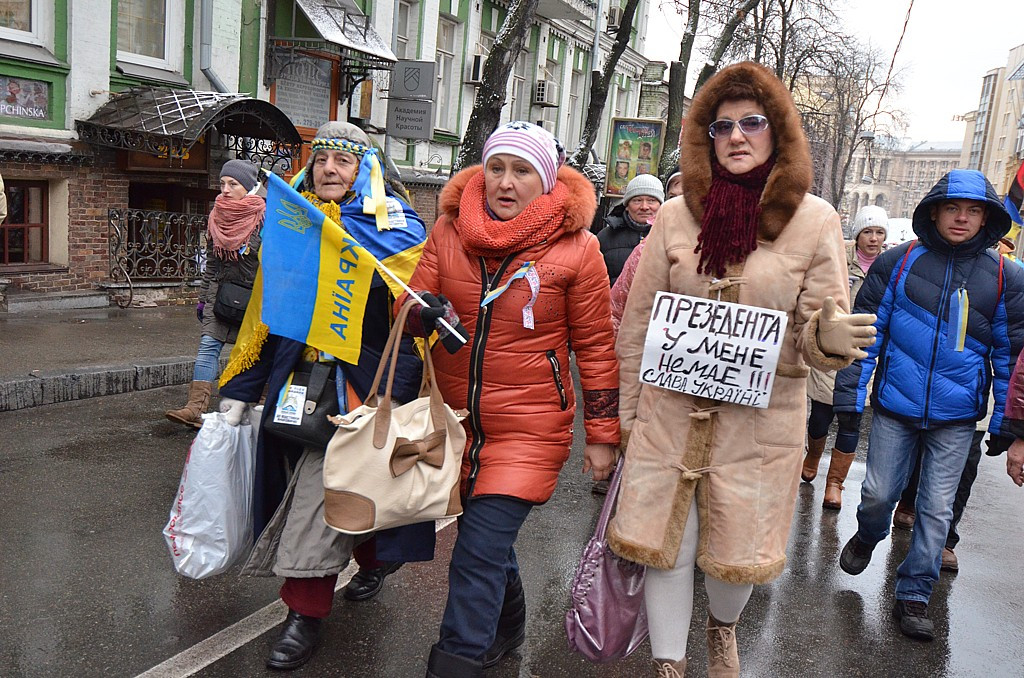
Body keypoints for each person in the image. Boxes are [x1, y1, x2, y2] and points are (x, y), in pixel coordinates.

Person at [608, 61, 875, 678]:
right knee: (665, 548)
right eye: (721, 125)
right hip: (669, 416)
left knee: (735, 560)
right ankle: (668, 665)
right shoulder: (675, 216)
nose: (735, 136)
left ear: (776, 132)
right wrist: (625, 417)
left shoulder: (816, 220)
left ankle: (722, 628)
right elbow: (640, 323)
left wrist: (825, 338)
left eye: (751, 122)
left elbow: (819, 331)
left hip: (758, 431)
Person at [398, 121, 619, 678]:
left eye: (522, 170)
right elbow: (407, 310)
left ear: (545, 181)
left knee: (475, 552)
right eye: (497, 167)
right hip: (455, 423)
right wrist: (417, 312)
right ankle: (508, 628)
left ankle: (455, 663)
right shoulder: (449, 231)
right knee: (486, 542)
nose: (505, 181)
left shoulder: (579, 249)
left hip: (530, 426)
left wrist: (603, 437)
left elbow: (595, 348)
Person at [216, 122, 433, 670]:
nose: (329, 169)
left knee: (320, 497)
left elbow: (414, 313)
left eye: (343, 160)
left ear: (367, 170)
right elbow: (269, 316)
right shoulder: (294, 226)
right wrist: (241, 390)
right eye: (321, 160)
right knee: (338, 495)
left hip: (364, 388)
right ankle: (372, 557)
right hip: (297, 385)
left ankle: (303, 616)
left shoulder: (397, 228)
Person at [834, 169, 1024, 642]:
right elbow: (863, 336)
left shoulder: (1005, 276)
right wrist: (851, 399)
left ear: (988, 217)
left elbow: (1012, 355)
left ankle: (915, 593)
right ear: (934, 211)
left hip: (957, 419)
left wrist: (1009, 423)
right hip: (896, 407)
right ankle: (867, 535)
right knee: (878, 495)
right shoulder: (896, 264)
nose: (962, 218)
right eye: (953, 208)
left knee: (936, 510)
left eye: (974, 210)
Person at [800, 205, 888, 509]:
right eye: (868, 232)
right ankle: (812, 456)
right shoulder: (839, 259)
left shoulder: (890, 266)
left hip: (865, 354)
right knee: (821, 417)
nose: (873, 238)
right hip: (834, 350)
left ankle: (834, 483)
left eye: (879, 232)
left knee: (851, 419)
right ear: (858, 234)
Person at [165, 160, 263, 428]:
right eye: (223, 183)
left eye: (233, 184)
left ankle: (251, 411)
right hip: (219, 295)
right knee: (208, 347)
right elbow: (212, 263)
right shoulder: (217, 214)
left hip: (254, 301)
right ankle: (194, 408)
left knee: (250, 354)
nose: (226, 189)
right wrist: (203, 298)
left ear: (249, 186)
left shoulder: (265, 216)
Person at [597, 173, 664, 286]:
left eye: (651, 200)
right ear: (627, 205)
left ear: (661, 204)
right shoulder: (605, 237)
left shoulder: (671, 237)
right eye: (637, 200)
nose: (644, 207)